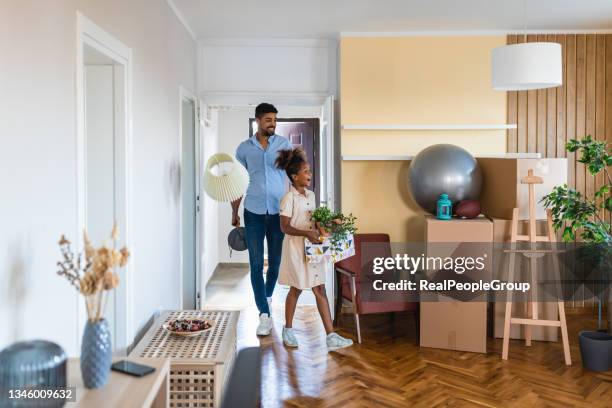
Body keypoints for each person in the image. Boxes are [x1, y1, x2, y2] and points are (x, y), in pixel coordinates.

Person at [275, 147, 354, 352]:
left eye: (309, 171)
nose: (310, 175)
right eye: (306, 172)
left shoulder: (310, 195)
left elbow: (313, 221)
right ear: (294, 176)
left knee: (320, 288)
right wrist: (306, 233)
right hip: (295, 248)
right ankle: (288, 329)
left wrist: (329, 224)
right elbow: (284, 227)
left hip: (313, 249)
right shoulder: (288, 199)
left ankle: (331, 335)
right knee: (297, 288)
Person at [233, 103, 292, 336]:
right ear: (257, 120)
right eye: (268, 119)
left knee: (275, 264)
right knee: (256, 264)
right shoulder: (244, 149)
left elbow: (293, 174)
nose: (273, 123)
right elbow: (237, 182)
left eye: (275, 120)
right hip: (254, 212)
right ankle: (264, 314)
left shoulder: (284, 145)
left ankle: (265, 298)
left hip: (278, 213)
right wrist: (234, 212)